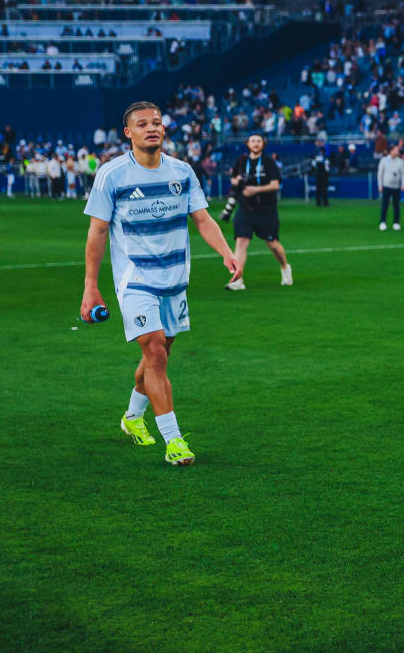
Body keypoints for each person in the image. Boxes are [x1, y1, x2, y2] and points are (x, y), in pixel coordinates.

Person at [79, 102, 242, 467]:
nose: (151, 128)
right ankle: (175, 441)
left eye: (157, 123)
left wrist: (226, 252)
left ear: (164, 130)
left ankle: (132, 417)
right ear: (128, 133)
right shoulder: (111, 174)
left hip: (175, 280)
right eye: (142, 124)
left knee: (159, 355)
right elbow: (97, 232)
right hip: (135, 280)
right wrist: (91, 286)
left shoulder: (182, 172)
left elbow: (202, 219)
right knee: (154, 351)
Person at [225, 134, 291, 291]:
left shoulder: (269, 162)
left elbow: (275, 185)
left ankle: (285, 267)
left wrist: (257, 190)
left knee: (273, 244)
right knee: (241, 242)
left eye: (258, 141)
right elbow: (233, 180)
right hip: (245, 209)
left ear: (263, 144)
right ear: (247, 143)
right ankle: (237, 280)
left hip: (266, 210)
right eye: (253, 141)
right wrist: (236, 181)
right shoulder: (241, 161)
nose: (255, 143)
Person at [377, 143, 404, 231]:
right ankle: (382, 222)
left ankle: (396, 223)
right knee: (385, 205)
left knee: (396, 205)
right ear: (391, 151)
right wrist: (380, 185)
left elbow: (403, 174)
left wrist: (403, 184)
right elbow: (379, 174)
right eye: (396, 150)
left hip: (396, 186)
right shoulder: (384, 160)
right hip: (386, 186)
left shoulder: (400, 161)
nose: (397, 151)